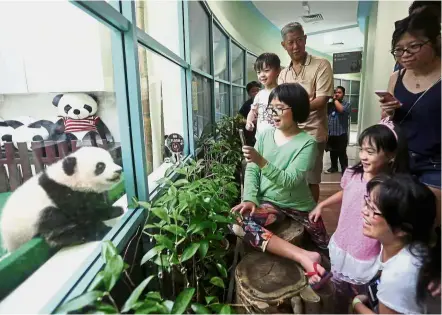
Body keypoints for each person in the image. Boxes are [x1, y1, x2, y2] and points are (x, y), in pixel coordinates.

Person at [232, 83, 330, 284]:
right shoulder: (265, 135)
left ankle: (312, 260)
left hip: (300, 208)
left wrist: (261, 161)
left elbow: (290, 182)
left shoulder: (307, 144)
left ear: (297, 110)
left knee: (327, 257)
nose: (273, 113)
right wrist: (250, 198)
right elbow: (252, 169)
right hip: (270, 204)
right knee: (236, 221)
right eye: (271, 108)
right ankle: (302, 255)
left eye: (280, 108)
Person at [309, 121, 409, 313]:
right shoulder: (354, 174)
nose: (363, 156)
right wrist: (322, 204)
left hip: (366, 252)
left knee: (361, 296)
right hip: (343, 240)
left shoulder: (389, 189)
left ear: (390, 155)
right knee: (337, 292)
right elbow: (346, 192)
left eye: (370, 152)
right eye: (362, 149)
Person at [380, 9, 441, 226]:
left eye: (414, 46)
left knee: (427, 225)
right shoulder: (396, 77)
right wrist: (389, 111)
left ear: (435, 41)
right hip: (401, 159)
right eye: (398, 50)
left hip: (436, 164)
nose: (405, 54)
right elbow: (385, 121)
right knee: (397, 223)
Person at [353, 174, 440, 314]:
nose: (364, 211)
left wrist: (356, 304)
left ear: (402, 229)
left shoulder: (398, 275)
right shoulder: (403, 243)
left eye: (373, 211)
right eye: (367, 202)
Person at [278, 22, 334, 203]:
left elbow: (322, 99)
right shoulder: (283, 74)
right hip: (289, 134)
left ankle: (311, 220)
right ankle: (295, 215)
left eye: (299, 40)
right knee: (290, 178)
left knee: (311, 180)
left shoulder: (321, 65)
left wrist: (291, 109)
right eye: (290, 42)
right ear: (284, 45)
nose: (296, 46)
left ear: (305, 39)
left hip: (313, 133)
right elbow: (281, 103)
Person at [245, 53, 280, 136]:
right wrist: (249, 122)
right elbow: (253, 111)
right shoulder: (259, 95)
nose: (262, 75)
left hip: (278, 138)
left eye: (267, 70)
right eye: (258, 72)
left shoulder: (283, 93)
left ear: (278, 70)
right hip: (260, 137)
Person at [325, 86, 351, 174]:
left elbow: (341, 110)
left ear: (343, 94)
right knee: (332, 152)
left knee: (342, 153)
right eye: (335, 92)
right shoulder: (329, 105)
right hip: (331, 133)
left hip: (341, 133)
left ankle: (345, 170)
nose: (336, 94)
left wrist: (335, 100)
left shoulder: (347, 104)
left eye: (339, 92)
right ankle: (334, 167)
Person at [239, 81, 261, 146]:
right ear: (249, 94)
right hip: (252, 134)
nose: (256, 93)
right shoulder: (247, 104)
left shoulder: (266, 101)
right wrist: (249, 122)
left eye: (258, 90)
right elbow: (239, 118)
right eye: (253, 91)